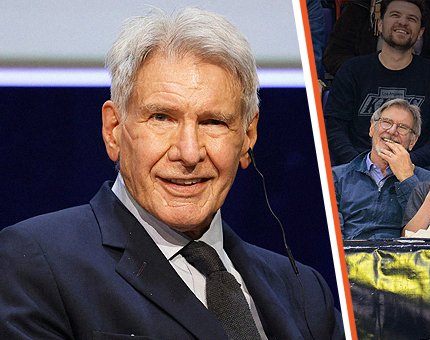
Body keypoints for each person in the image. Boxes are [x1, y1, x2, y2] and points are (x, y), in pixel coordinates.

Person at [0, 8, 343, 339]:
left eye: (213, 122)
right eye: (162, 118)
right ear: (114, 129)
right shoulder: (34, 264)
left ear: (247, 138)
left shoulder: (307, 292)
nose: (189, 153)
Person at [324, 0, 430, 168]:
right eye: (395, 15)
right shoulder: (352, 71)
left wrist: (405, 164)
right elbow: (334, 129)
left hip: (414, 173)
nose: (402, 22)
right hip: (355, 171)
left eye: (412, 19)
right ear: (379, 25)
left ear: (421, 32)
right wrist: (363, 165)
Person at [333, 98, 430, 240]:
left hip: (401, 257)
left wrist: (407, 179)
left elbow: (427, 231)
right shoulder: (336, 177)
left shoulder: (429, 182)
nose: (392, 131)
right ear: (371, 129)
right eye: (386, 122)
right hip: (351, 256)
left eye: (402, 127)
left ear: (413, 141)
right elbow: (333, 235)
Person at [323, 0, 430, 80]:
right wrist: (368, 72)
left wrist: (414, 73)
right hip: (366, 84)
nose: (403, 22)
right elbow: (334, 56)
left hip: (423, 86)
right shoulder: (361, 4)